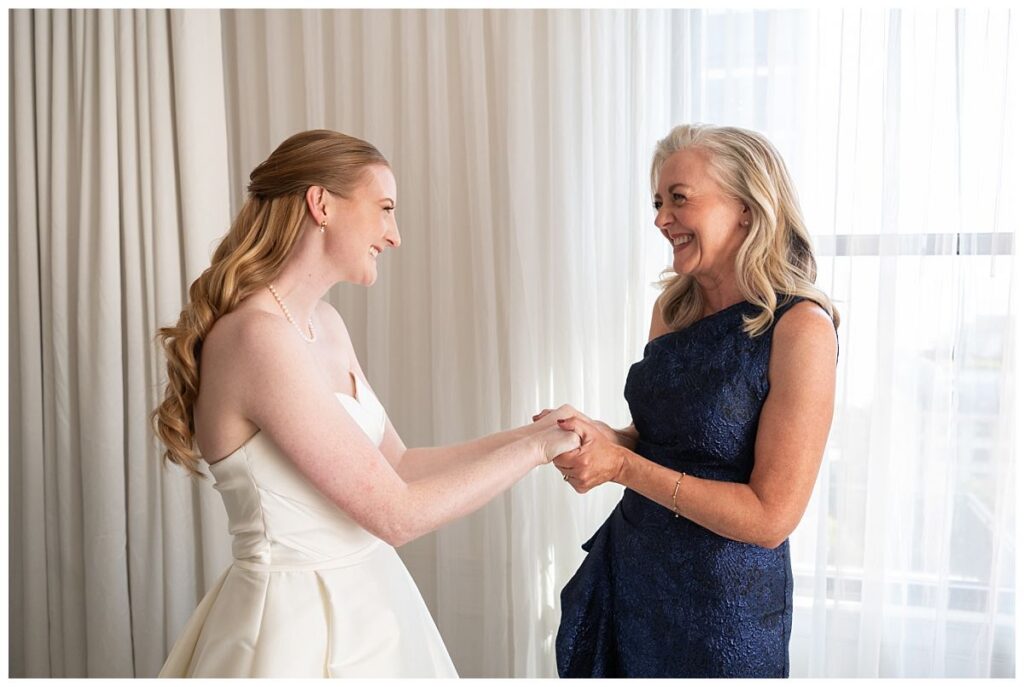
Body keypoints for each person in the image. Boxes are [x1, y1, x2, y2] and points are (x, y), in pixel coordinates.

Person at [152, 129, 580, 678]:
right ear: (320, 203)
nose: (395, 235)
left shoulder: (324, 324)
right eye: (384, 209)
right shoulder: (256, 338)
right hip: (294, 625)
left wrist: (531, 434)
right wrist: (539, 452)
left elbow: (398, 464)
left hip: (371, 602)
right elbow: (396, 515)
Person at [542, 124, 839, 678]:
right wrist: (602, 436)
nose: (660, 219)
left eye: (679, 199)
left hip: (724, 612)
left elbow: (771, 517)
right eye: (658, 202)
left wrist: (623, 465)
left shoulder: (801, 328)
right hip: (635, 576)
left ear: (747, 209)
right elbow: (659, 440)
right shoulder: (672, 309)